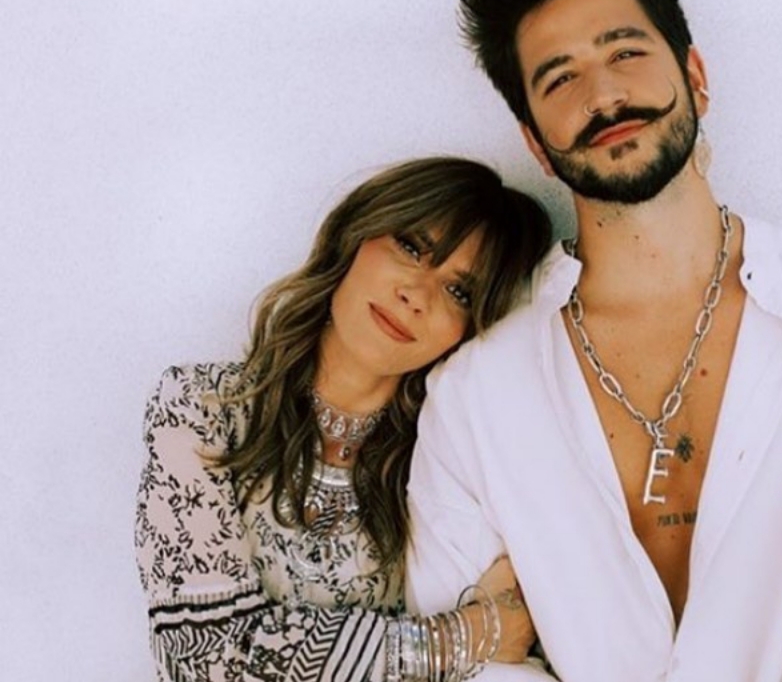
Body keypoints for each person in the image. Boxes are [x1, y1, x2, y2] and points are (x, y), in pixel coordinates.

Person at [405, 0, 782, 681]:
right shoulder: (474, 396)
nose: (605, 94)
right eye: (560, 78)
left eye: (625, 52)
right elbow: (470, 667)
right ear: (535, 143)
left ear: (696, 75)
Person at [134, 157, 552, 681]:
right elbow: (205, 657)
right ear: (353, 236)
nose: (416, 295)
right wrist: (464, 637)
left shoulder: (447, 463)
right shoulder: (202, 410)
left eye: (458, 292)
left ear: (469, 330)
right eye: (411, 248)